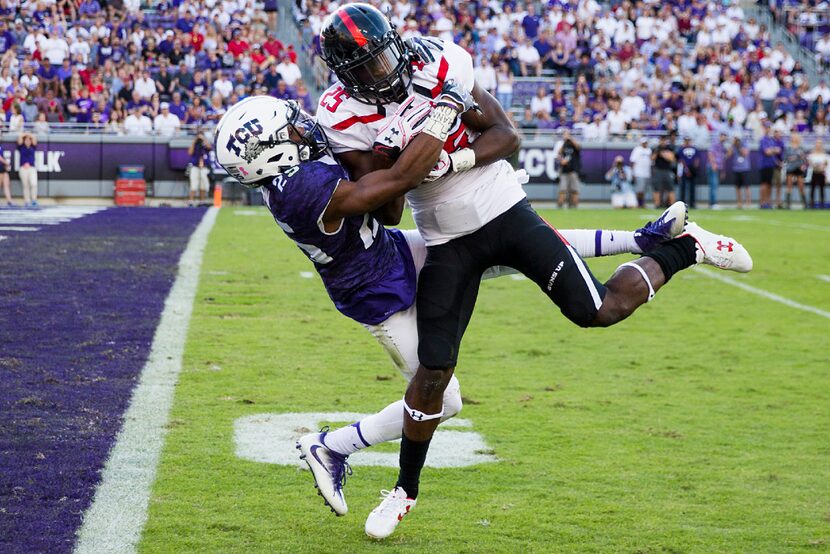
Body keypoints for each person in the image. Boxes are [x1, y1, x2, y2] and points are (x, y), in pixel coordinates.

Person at [315, 4, 753, 540]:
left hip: (504, 210)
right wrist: (400, 150)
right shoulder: (340, 114)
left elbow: (506, 134)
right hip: (444, 237)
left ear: (397, 44)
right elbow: (382, 211)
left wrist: (453, 159)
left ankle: (684, 249)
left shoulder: (436, 64)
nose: (384, 73)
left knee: (597, 310)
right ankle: (405, 489)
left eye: (384, 58)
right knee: (432, 373)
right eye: (367, 68)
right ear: (344, 74)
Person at [219, 95, 690, 523]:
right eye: (290, 132)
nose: (302, 127)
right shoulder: (298, 189)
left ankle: (642, 239)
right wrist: (429, 127)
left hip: (392, 254)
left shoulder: (296, 170)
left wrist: (396, 151)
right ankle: (331, 445)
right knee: (444, 399)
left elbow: (389, 211)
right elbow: (395, 188)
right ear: (272, 154)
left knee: (508, 244)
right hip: (378, 294)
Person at [556, 130, 581, 208]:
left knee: (574, 189)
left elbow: (578, 148)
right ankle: (560, 205)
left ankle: (574, 206)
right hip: (564, 170)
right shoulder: (562, 144)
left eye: (568, 134)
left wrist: (570, 139)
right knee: (562, 189)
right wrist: (564, 142)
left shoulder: (573, 143)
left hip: (573, 170)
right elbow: (558, 153)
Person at [783, 134, 808, 209]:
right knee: (789, 186)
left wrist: (803, 164)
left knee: (801, 186)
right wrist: (793, 158)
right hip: (790, 168)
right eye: (794, 137)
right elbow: (785, 159)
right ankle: (788, 204)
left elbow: (804, 159)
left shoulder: (801, 147)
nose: (795, 139)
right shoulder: (788, 148)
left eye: (796, 137)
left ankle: (804, 204)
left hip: (799, 168)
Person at [759, 124, 781, 209]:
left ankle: (768, 202)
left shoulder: (771, 140)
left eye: (769, 128)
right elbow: (767, 152)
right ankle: (762, 202)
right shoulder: (763, 140)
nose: (768, 129)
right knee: (764, 184)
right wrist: (773, 150)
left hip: (771, 164)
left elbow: (777, 151)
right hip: (764, 165)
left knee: (769, 184)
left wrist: (772, 151)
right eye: (766, 128)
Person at [651, 135, 677, 208]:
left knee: (670, 188)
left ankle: (672, 206)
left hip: (667, 170)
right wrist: (657, 151)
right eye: (661, 140)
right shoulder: (656, 148)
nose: (663, 142)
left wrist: (662, 154)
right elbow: (652, 158)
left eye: (664, 140)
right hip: (658, 170)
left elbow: (671, 159)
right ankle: (657, 204)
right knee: (657, 188)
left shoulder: (669, 148)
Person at [187, 132, 212, 204]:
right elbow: (190, 152)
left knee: (203, 185)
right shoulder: (195, 145)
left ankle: (202, 201)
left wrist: (203, 139)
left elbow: (209, 147)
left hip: (204, 167)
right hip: (195, 167)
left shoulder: (204, 144)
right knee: (193, 184)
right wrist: (194, 141)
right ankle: (191, 201)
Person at [706, 132, 728, 209]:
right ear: (720, 136)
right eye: (723, 136)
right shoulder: (715, 143)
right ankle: (713, 203)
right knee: (714, 185)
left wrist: (722, 171)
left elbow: (723, 158)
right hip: (713, 167)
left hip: (717, 167)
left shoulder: (722, 146)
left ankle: (712, 203)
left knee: (714, 185)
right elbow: (710, 154)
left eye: (725, 136)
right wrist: (713, 164)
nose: (724, 138)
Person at [729, 136, 752, 209]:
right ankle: (739, 203)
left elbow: (745, 153)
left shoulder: (745, 144)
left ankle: (748, 203)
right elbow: (728, 154)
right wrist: (732, 144)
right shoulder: (733, 146)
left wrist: (739, 146)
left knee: (747, 187)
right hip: (736, 169)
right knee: (737, 187)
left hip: (745, 169)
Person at [676, 136, 698, 208]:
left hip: (692, 169)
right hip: (684, 169)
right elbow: (681, 160)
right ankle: (682, 204)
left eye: (688, 140)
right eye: (686, 140)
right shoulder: (681, 149)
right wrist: (686, 169)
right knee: (683, 187)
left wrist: (694, 168)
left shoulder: (694, 149)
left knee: (692, 188)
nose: (687, 142)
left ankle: (692, 203)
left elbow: (697, 159)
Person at [630, 137, 652, 208]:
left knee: (644, 190)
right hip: (639, 172)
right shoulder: (637, 149)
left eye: (646, 142)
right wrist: (633, 173)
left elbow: (651, 162)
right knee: (639, 190)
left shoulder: (649, 150)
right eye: (644, 142)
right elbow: (633, 161)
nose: (645, 144)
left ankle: (642, 203)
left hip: (647, 173)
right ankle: (638, 203)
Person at [17, 132, 38, 208]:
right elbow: (19, 137)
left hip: (31, 168)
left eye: (29, 140)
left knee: (33, 184)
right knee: (26, 185)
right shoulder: (21, 147)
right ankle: (27, 201)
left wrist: (30, 134)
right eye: (26, 140)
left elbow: (35, 138)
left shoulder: (33, 147)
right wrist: (25, 134)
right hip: (23, 168)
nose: (28, 141)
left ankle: (34, 200)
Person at [808, 138, 828, 209]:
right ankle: (811, 203)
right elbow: (810, 162)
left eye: (820, 143)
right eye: (817, 143)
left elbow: (826, 163)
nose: (818, 145)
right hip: (814, 172)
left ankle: (822, 203)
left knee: (822, 189)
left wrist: (822, 167)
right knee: (813, 188)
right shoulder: (812, 154)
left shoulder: (824, 154)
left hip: (821, 173)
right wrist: (815, 166)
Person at [0, 140, 13, 206]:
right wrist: (6, 163)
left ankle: (9, 201)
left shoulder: (1, 146)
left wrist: (5, 165)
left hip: (2, 168)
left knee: (6, 185)